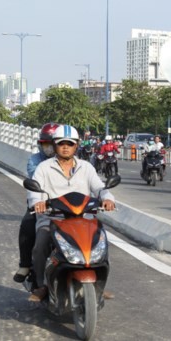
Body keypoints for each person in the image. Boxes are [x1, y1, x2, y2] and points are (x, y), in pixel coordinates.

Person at [28, 124, 116, 301]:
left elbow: (99, 187)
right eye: (61, 143)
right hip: (53, 218)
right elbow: (34, 191)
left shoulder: (86, 167)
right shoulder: (44, 168)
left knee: (102, 244)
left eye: (70, 143)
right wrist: (37, 202)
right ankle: (41, 285)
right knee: (41, 244)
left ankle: (97, 285)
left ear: (76, 145)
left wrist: (107, 198)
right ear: (54, 145)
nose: (65, 147)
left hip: (84, 218)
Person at [13, 122, 60, 283]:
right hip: (42, 202)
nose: (50, 148)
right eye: (46, 144)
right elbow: (37, 180)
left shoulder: (77, 162)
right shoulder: (35, 161)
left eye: (53, 144)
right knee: (27, 225)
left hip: (68, 204)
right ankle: (25, 265)